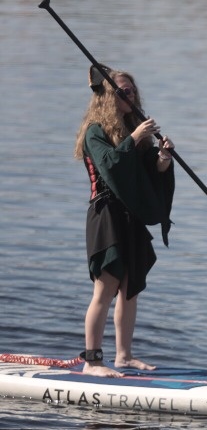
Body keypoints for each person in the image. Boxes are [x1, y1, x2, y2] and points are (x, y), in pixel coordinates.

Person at [74, 66, 175, 377]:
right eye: (122, 92)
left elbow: (145, 174)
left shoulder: (135, 130)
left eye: (132, 91)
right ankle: (92, 362)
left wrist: (162, 159)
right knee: (105, 289)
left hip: (129, 216)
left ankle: (124, 356)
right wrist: (134, 137)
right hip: (105, 215)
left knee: (130, 289)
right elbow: (111, 167)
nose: (129, 96)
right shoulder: (95, 131)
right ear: (107, 97)